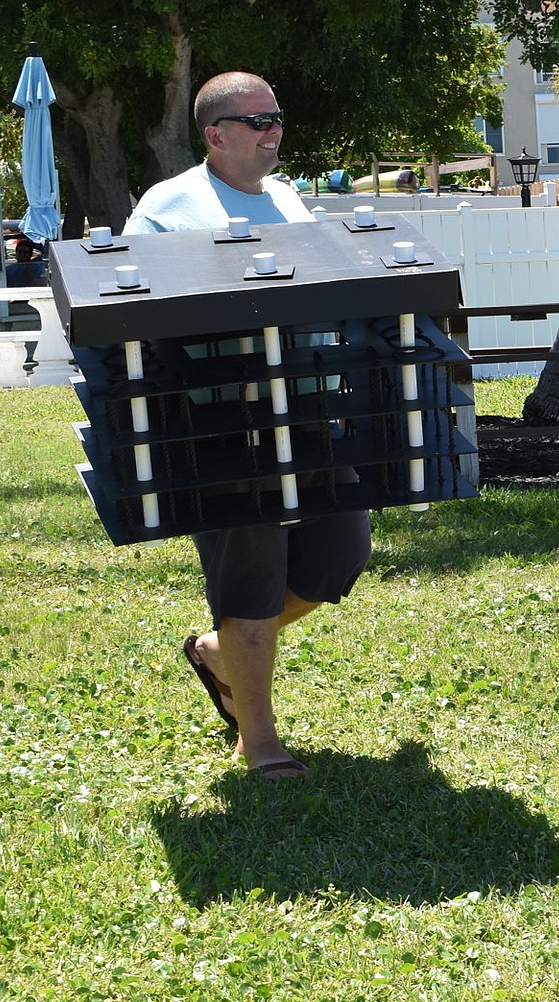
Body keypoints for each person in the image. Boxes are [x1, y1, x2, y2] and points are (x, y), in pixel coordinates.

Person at [122, 71, 371, 782]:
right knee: (252, 574)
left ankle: (214, 652)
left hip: (305, 404)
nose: (272, 132)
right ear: (215, 134)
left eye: (277, 119)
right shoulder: (169, 207)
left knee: (339, 553)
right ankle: (258, 742)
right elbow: (139, 311)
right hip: (223, 421)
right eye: (257, 121)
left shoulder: (288, 197)